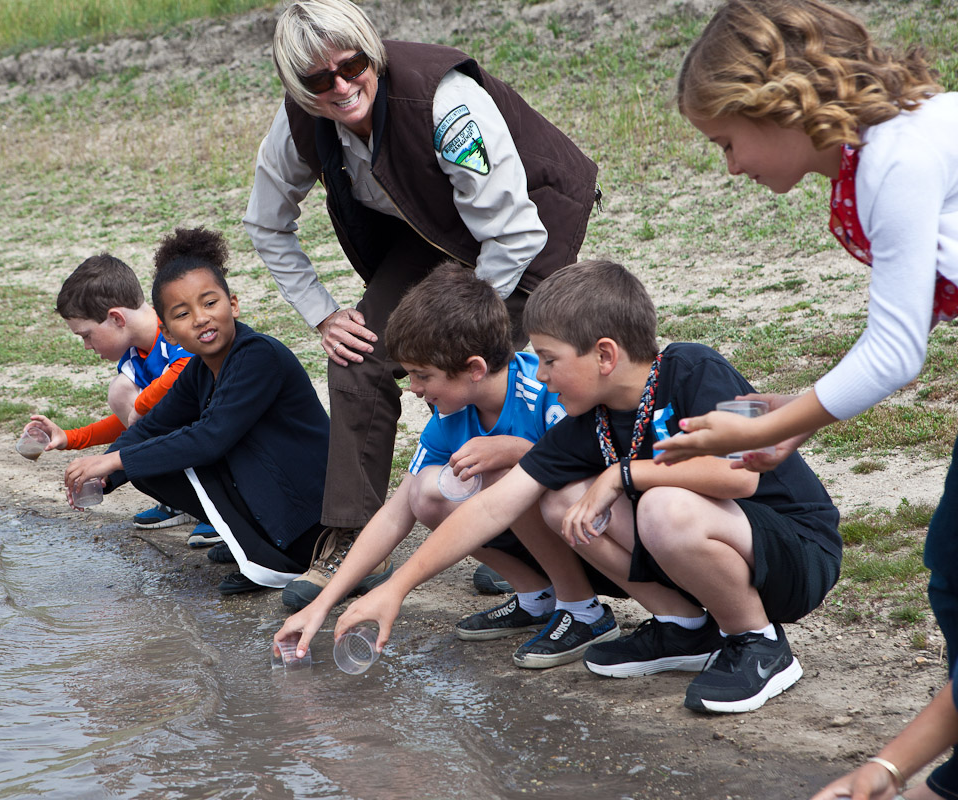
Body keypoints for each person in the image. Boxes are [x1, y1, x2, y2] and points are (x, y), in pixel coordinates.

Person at [650, 0, 955, 791]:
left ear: (774, 101)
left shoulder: (898, 157)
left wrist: (761, 428)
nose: (731, 167)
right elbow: (905, 329)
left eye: (726, 142)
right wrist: (792, 423)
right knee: (953, 562)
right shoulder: (885, 150)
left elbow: (894, 351)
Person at [335, 260, 842, 714]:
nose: (543, 375)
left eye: (549, 359)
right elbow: (490, 509)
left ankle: (757, 642)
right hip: (713, 552)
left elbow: (741, 474)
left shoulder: (695, 367)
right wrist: (397, 588)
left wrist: (623, 474)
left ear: (604, 355)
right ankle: (684, 628)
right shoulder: (588, 423)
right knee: (558, 499)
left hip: (798, 552)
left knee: (663, 507)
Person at [243, 0, 600, 602]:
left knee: (498, 377)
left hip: (527, 222)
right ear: (297, 85)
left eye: (351, 65)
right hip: (430, 233)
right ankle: (350, 538)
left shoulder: (444, 101)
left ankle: (525, 535)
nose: (339, 86)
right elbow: (266, 224)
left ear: (371, 53)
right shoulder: (300, 119)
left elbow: (512, 232)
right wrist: (324, 313)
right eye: (316, 80)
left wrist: (460, 325)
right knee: (357, 356)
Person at [277, 265, 624, 668]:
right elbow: (397, 512)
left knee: (506, 473)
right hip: (543, 536)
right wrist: (323, 605)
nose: (414, 389)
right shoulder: (451, 413)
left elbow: (596, 475)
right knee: (426, 491)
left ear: (475, 369)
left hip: (599, 539)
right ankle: (538, 597)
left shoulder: (545, 390)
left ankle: (583, 610)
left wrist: (518, 449)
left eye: (423, 375)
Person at [62, 228, 330, 595]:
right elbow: (150, 427)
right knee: (144, 462)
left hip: (312, 517)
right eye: (183, 313)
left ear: (233, 305)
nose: (201, 318)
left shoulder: (257, 355)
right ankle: (251, 542)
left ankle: (280, 560)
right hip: (278, 497)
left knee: (167, 454)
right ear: (168, 333)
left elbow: (210, 438)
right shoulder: (199, 370)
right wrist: (104, 475)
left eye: (209, 303)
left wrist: (115, 460)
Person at [21, 253, 219, 547]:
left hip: (226, 441)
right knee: (132, 426)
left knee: (122, 393)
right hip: (190, 441)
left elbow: (186, 369)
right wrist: (70, 437)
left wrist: (140, 407)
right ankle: (182, 501)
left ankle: (216, 506)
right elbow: (137, 422)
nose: (87, 346)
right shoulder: (135, 354)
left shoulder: (172, 329)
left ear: (116, 318)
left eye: (86, 335)